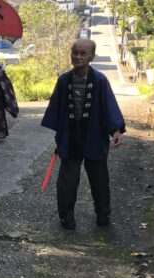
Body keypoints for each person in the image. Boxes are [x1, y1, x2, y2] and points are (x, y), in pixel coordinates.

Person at [41, 38, 125, 229]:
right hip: (71, 137)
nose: (78, 57)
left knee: (99, 178)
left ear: (91, 57)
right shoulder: (64, 80)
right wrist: (60, 133)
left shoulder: (100, 80)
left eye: (83, 53)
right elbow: (56, 108)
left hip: (94, 135)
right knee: (67, 180)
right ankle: (66, 217)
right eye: (75, 52)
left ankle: (103, 214)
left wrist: (116, 129)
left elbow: (109, 106)